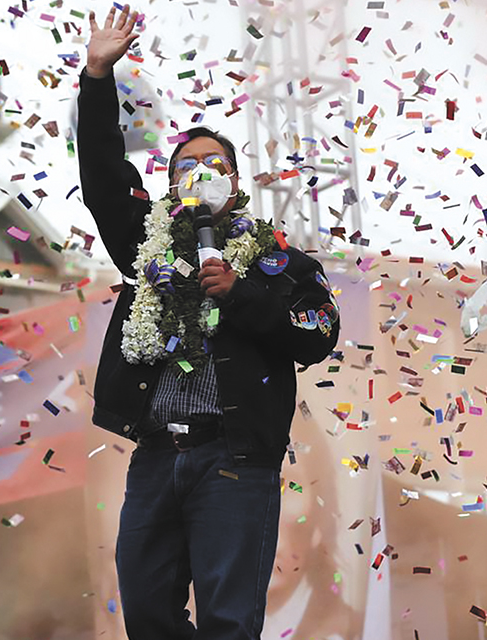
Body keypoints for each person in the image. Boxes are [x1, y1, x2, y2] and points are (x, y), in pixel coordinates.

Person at [75, 5, 342, 639]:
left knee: (228, 619)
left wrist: (241, 293)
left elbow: (318, 333)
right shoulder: (148, 245)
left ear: (234, 180)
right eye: (185, 165)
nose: (200, 172)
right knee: (145, 611)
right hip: (157, 454)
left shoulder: (278, 261)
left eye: (213, 164)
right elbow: (105, 181)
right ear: (169, 189)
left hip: (234, 456)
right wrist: (96, 75)